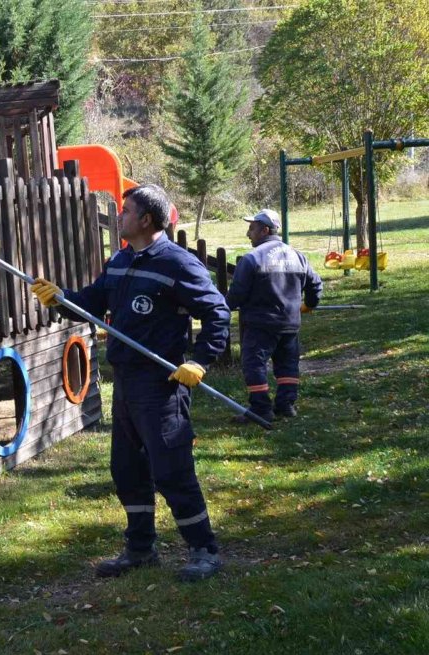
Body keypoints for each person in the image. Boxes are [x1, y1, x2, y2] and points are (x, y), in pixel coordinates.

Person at [31, 184, 230, 582]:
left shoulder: (178, 264)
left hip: (161, 384)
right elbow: (93, 302)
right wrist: (60, 299)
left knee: (171, 470)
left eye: (126, 211)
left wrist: (199, 361)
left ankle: (204, 550)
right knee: (127, 469)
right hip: (125, 381)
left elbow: (217, 312)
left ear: (146, 219)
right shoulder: (121, 260)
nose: (119, 216)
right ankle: (140, 549)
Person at [226, 209, 322, 424]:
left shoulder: (252, 259)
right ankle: (286, 405)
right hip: (290, 324)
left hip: (260, 324)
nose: (248, 234)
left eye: (252, 228)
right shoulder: (298, 256)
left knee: (254, 364)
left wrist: (220, 310)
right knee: (287, 365)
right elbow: (315, 284)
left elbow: (237, 293)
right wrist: (309, 304)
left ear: (265, 230)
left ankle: (261, 408)